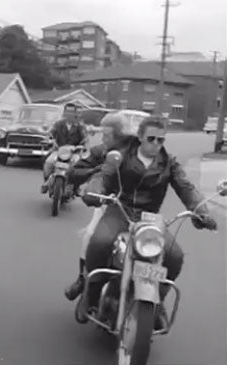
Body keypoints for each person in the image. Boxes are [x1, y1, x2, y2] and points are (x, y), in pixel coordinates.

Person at [81, 116, 217, 326]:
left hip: (149, 219)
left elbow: (186, 188)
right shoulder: (122, 156)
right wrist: (94, 191)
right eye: (151, 139)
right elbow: (104, 175)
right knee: (100, 242)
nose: (156, 144)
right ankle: (91, 294)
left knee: (174, 256)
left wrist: (201, 211)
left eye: (160, 140)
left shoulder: (168, 163)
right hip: (120, 211)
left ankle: (157, 301)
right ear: (140, 137)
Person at [64, 112, 137, 301]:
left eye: (107, 135)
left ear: (120, 135)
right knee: (90, 236)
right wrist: (95, 171)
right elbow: (74, 171)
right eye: (102, 134)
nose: (103, 139)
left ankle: (155, 299)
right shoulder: (101, 151)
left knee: (157, 249)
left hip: (142, 211)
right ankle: (83, 279)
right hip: (110, 205)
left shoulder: (141, 151)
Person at [41, 103, 88, 194]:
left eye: (71, 111)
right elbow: (50, 133)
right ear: (64, 113)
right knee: (48, 162)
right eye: (67, 111)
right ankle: (47, 183)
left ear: (75, 113)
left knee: (78, 166)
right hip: (59, 150)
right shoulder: (58, 124)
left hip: (74, 152)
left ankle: (76, 187)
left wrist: (83, 145)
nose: (69, 114)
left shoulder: (80, 126)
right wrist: (48, 139)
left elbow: (85, 138)